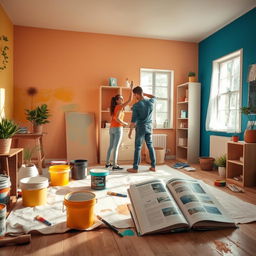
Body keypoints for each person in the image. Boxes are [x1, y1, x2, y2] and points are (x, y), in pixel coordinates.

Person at [127, 86, 156, 173]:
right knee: (150, 146)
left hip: (140, 128)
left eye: (135, 95)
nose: (135, 96)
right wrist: (144, 93)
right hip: (149, 127)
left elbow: (133, 121)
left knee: (138, 147)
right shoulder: (150, 102)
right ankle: (153, 166)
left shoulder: (136, 105)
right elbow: (154, 96)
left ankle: (135, 168)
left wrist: (130, 132)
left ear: (136, 94)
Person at [106, 82, 133, 170]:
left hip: (111, 129)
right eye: (121, 99)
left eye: (122, 99)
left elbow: (115, 118)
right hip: (117, 129)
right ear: (117, 100)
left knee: (111, 146)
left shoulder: (114, 107)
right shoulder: (120, 106)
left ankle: (107, 163)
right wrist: (124, 123)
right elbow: (129, 100)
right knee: (116, 147)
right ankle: (115, 165)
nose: (122, 100)